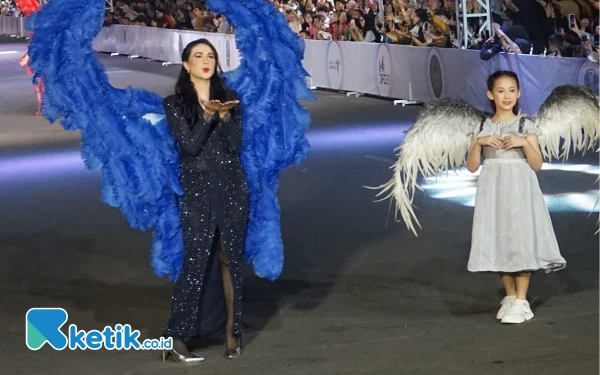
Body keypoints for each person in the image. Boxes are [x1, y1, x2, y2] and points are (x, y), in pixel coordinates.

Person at [162, 38, 248, 363]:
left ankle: (232, 331)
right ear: (186, 64)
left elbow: (236, 145)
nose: (205, 60)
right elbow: (189, 146)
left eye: (210, 55)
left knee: (231, 260)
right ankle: (177, 337)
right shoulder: (175, 103)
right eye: (197, 56)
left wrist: (224, 118)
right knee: (196, 260)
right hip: (197, 188)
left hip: (232, 186)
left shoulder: (230, 99)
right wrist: (210, 116)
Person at [465, 71, 566, 324]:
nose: (506, 95)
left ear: (519, 93)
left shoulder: (525, 125)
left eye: (512, 90)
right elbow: (472, 166)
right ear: (490, 94)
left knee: (520, 238)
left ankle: (522, 300)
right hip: (493, 189)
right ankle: (510, 296)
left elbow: (537, 164)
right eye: (500, 90)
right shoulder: (481, 126)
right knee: (500, 238)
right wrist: (480, 142)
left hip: (520, 188)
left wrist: (523, 143)